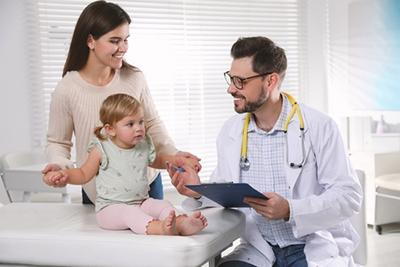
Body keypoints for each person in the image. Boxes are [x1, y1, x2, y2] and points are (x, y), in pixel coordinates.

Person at [168, 37, 363, 266]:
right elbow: (226, 192)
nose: (231, 88)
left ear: (270, 81)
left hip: (310, 246)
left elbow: (348, 196)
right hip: (258, 246)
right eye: (231, 79)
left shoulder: (320, 127)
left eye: (240, 81)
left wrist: (290, 209)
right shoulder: (231, 132)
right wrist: (198, 191)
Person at [41, 0, 200, 204]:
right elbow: (58, 142)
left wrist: (174, 155)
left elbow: (152, 124)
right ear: (91, 41)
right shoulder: (67, 89)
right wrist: (59, 166)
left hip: (145, 185)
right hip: (100, 191)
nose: (123, 48)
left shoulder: (134, 77)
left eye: (126, 40)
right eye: (115, 41)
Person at [44, 94, 207, 235]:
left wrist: (177, 160)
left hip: (141, 202)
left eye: (141, 122)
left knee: (162, 205)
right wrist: (66, 176)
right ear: (110, 129)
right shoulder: (102, 149)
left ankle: (180, 223)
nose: (139, 128)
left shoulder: (143, 144)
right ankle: (160, 229)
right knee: (130, 214)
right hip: (110, 209)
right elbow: (83, 174)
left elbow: (156, 160)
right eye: (130, 124)